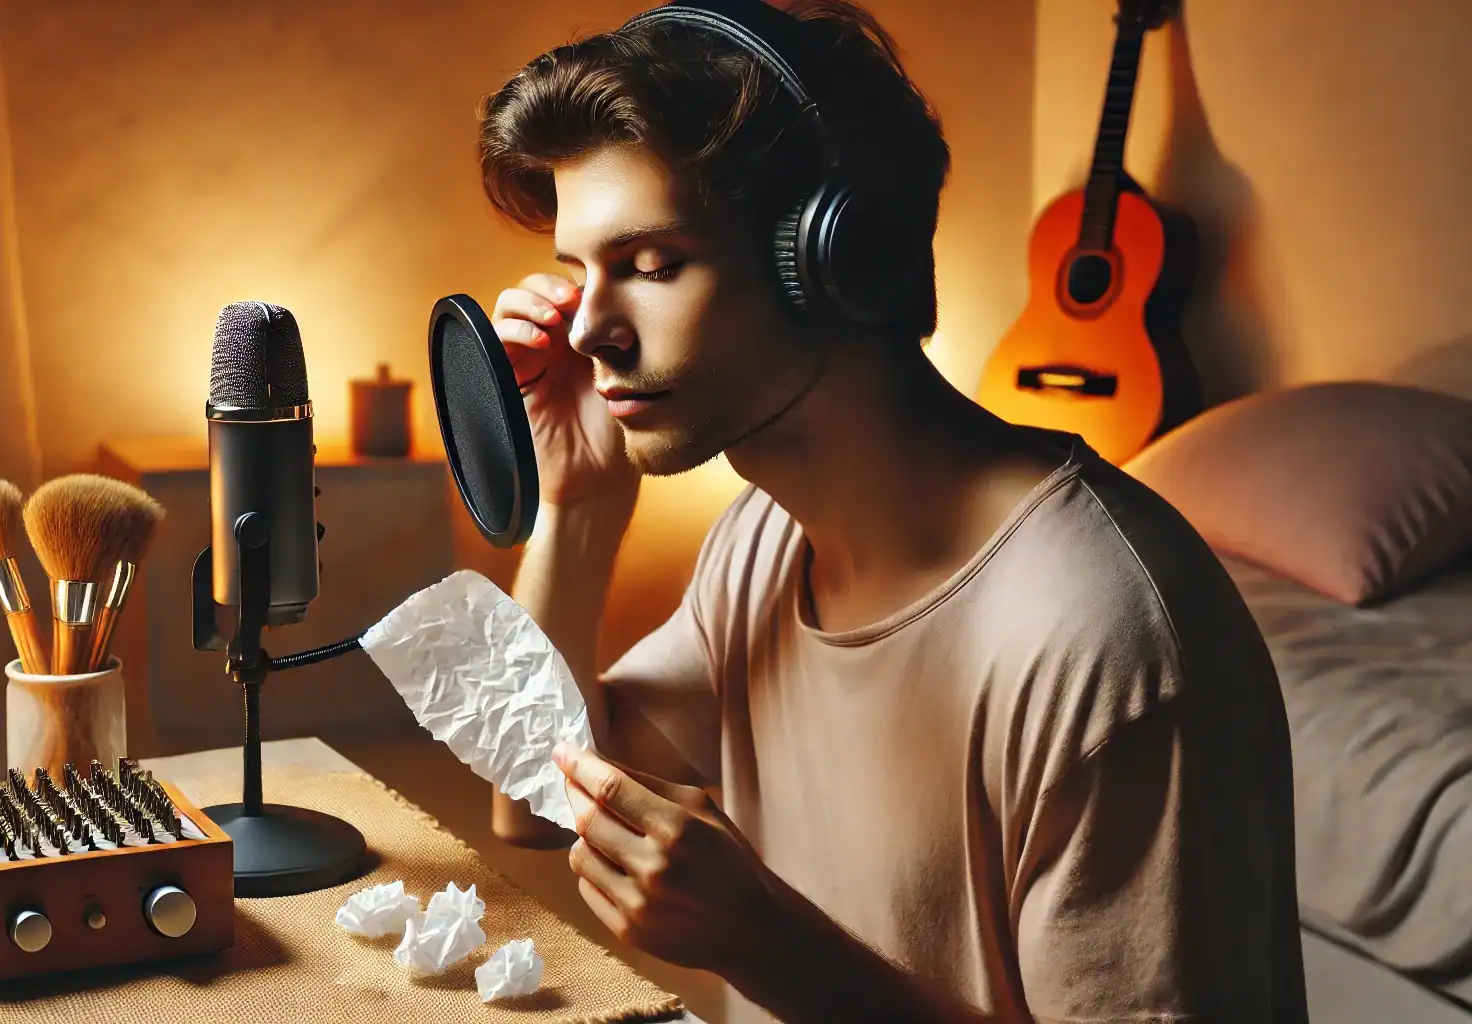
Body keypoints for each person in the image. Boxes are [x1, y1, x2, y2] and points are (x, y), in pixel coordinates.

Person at [476, 1, 1307, 1022]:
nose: (592, 329)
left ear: (835, 260)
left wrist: (769, 945)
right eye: (579, 273)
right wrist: (579, 502)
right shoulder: (764, 540)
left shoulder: (1106, 638)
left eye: (651, 266)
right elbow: (534, 800)